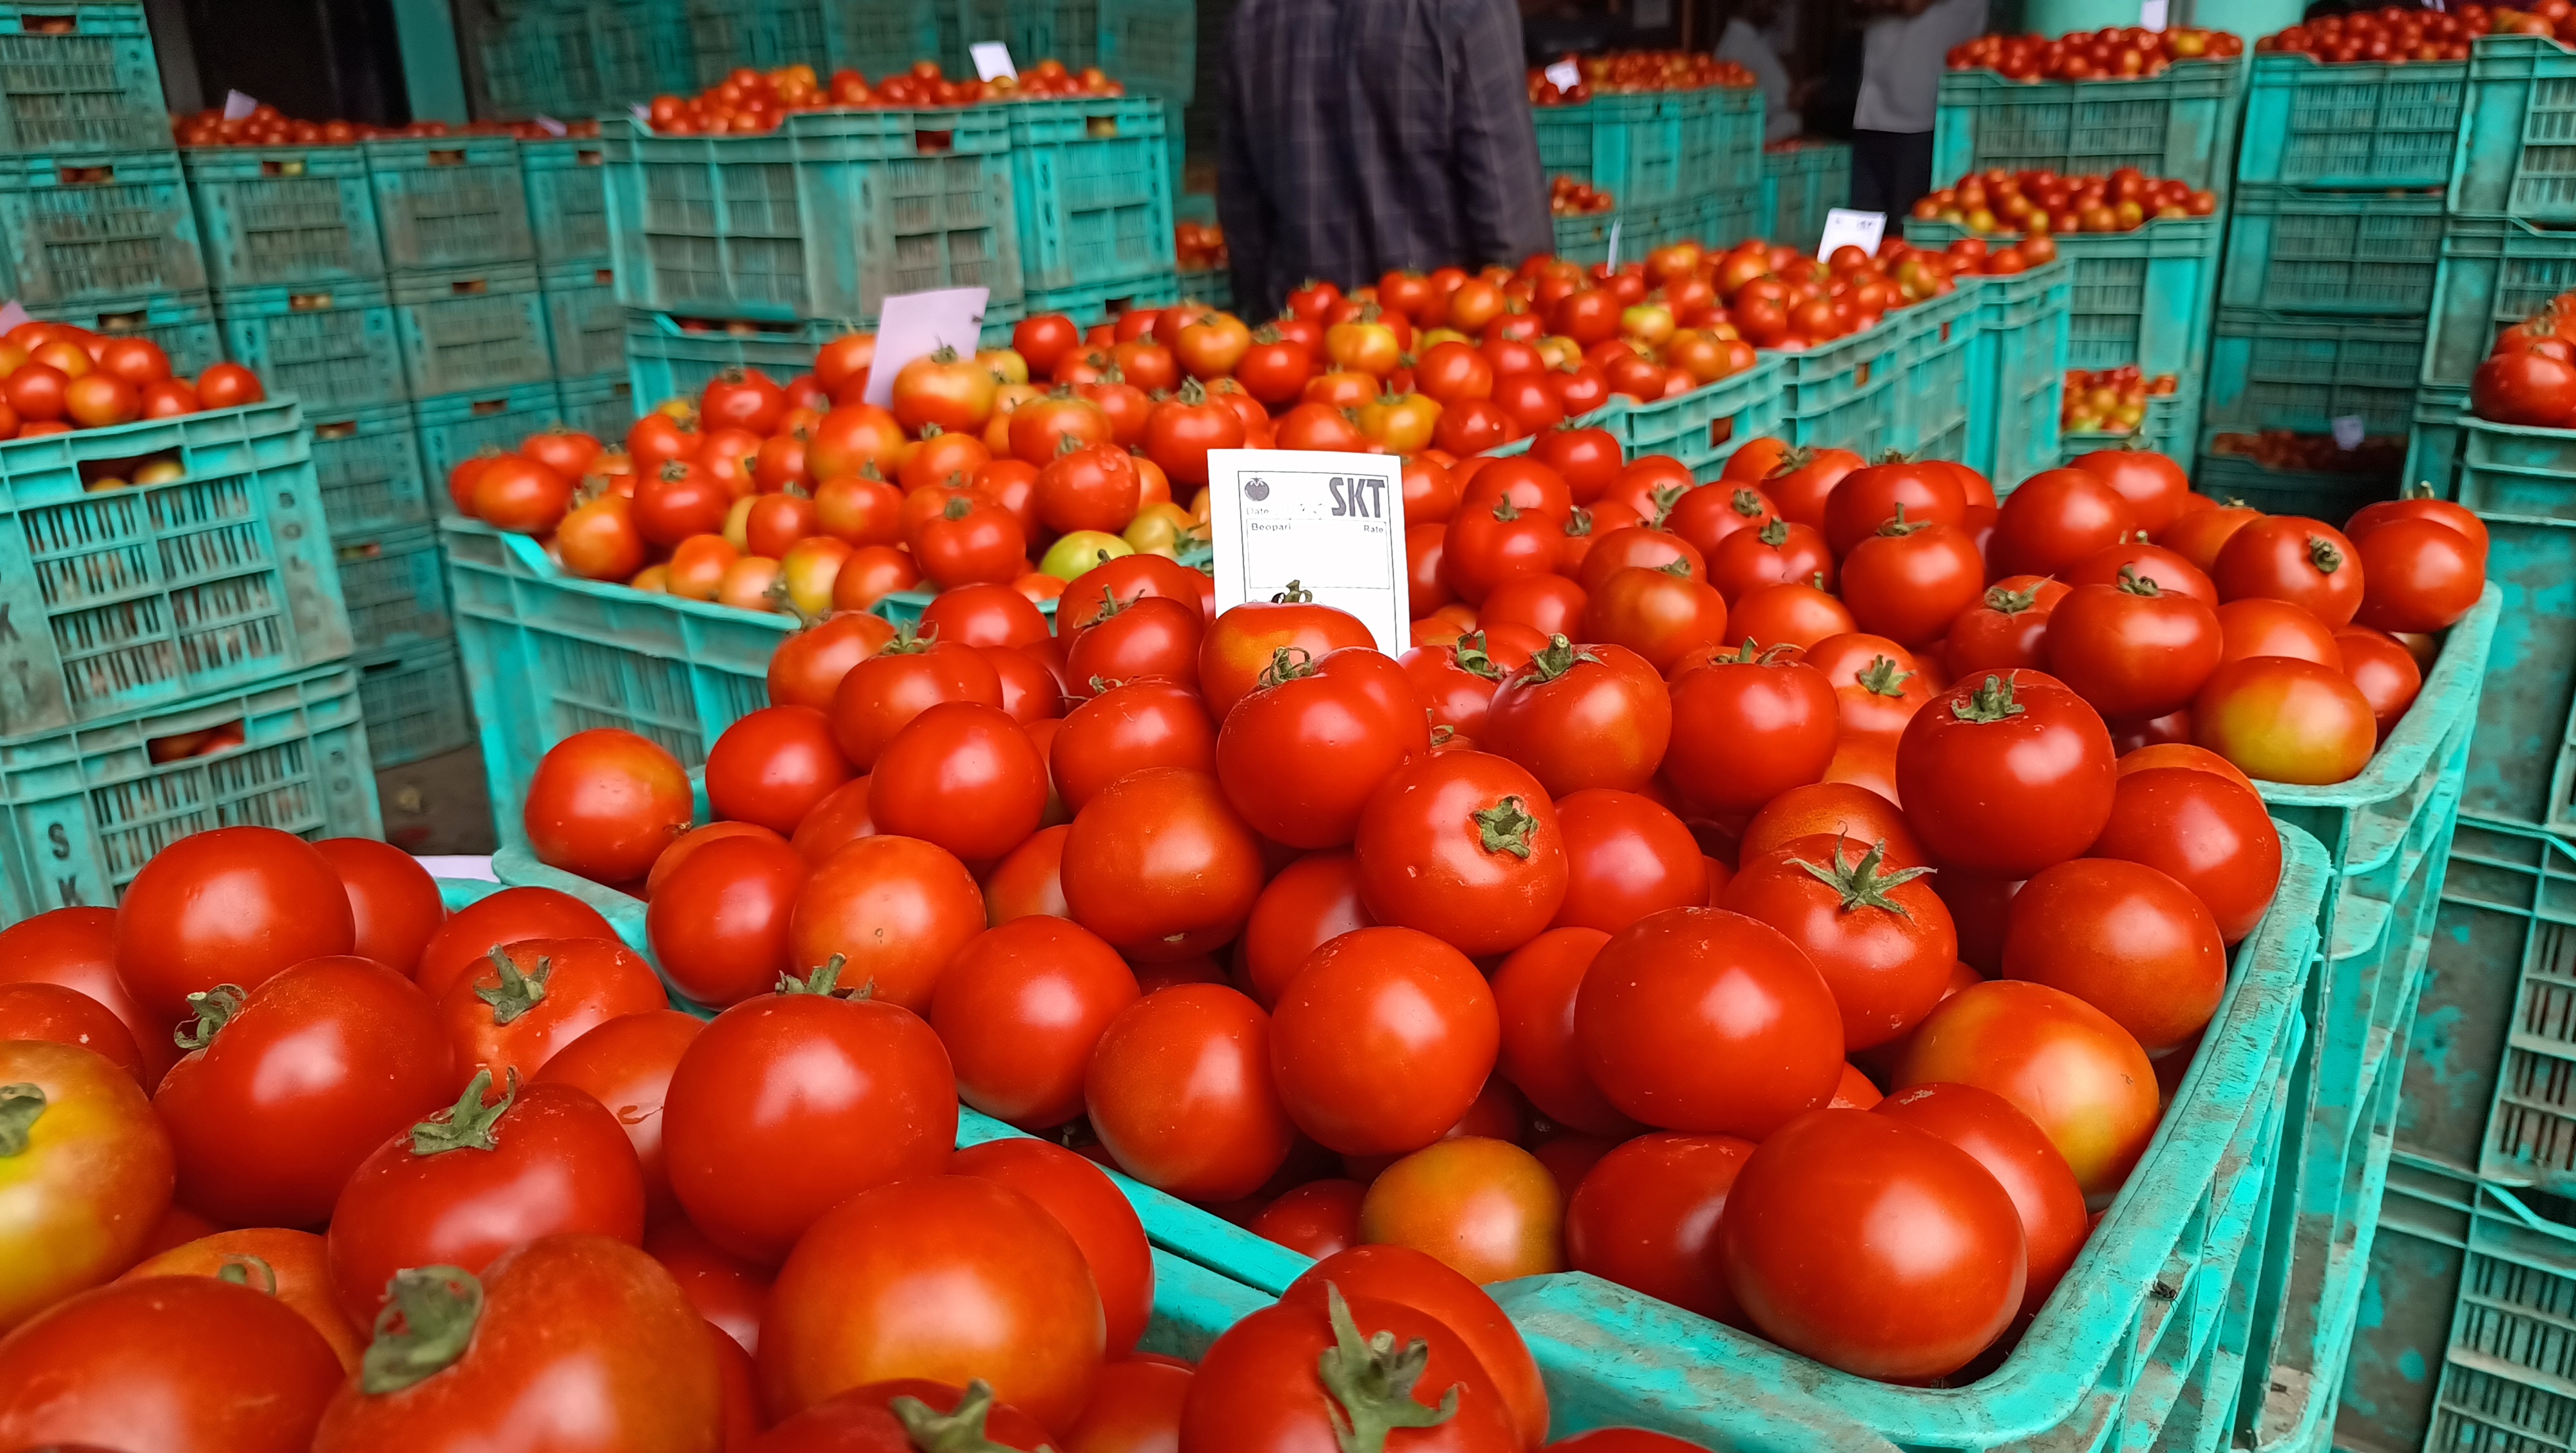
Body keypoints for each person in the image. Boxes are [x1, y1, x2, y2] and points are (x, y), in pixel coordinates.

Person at [1218, 0, 1554, 319]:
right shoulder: (1462, 8)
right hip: (1438, 348)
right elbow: (1509, 221)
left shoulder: (1254, 17)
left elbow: (1244, 223)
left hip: (1308, 354)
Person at [1850, 0, 1988, 215]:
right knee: (1865, 223)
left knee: (1908, 223)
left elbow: (1911, 4)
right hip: (1874, 107)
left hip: (1927, 113)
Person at [1717, 0, 1804, 144]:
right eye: (1771, 4)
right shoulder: (1737, 47)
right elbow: (1736, 106)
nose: (1775, 11)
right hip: (1752, 141)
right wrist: (1785, 100)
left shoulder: (1755, 39)